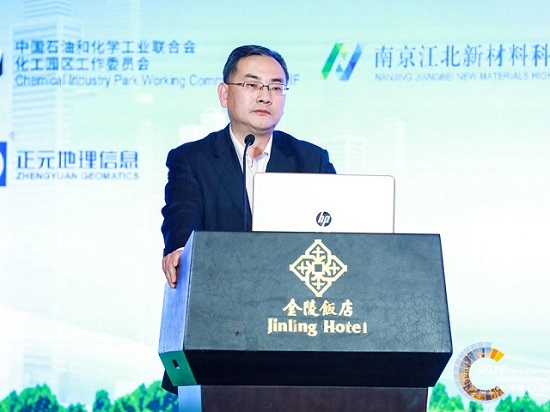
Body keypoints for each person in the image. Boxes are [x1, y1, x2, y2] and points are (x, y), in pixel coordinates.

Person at [160, 45, 335, 392]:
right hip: (217, 335)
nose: (265, 96)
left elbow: (338, 235)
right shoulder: (191, 159)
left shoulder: (311, 160)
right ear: (225, 94)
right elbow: (181, 216)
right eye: (252, 85)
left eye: (276, 87)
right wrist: (181, 250)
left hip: (295, 333)